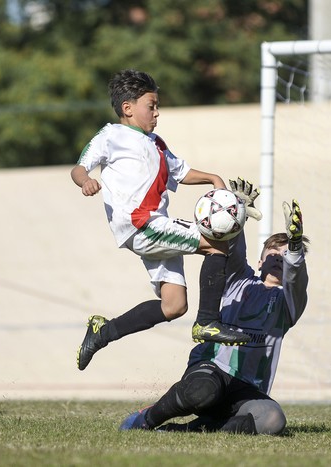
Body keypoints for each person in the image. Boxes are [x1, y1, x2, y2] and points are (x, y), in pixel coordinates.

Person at [72, 69, 258, 371]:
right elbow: (80, 167)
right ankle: (208, 322)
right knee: (216, 244)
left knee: (174, 306)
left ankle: (102, 333)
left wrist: (214, 178)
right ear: (128, 108)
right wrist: (85, 181)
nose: (157, 112)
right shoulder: (111, 136)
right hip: (142, 224)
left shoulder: (156, 143)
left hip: (155, 226)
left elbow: (181, 172)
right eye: (152, 105)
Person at [119, 198, 308, 435]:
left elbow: (297, 279)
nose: (279, 258)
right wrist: (238, 215)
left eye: (284, 255)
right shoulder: (239, 279)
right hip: (211, 369)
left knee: (273, 419)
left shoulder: (288, 303)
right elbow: (233, 251)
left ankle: (190, 430)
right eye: (273, 253)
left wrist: (295, 247)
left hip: (246, 389)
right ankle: (146, 418)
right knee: (203, 392)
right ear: (260, 262)